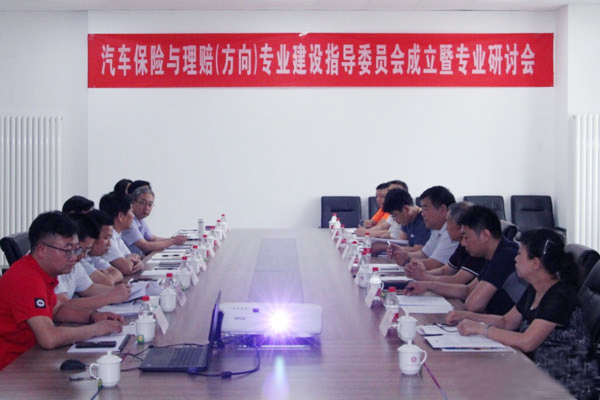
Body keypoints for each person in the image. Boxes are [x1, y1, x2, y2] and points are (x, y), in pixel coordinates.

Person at [446, 228, 596, 399]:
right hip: (537, 372)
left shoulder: (559, 295)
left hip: (567, 383)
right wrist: (465, 316)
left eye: (519, 254)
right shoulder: (536, 288)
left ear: (535, 263)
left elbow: (527, 342)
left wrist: (482, 329)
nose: (515, 259)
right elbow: (506, 322)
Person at [0, 211, 123, 370]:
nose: (74, 257)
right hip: (11, 368)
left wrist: (93, 316)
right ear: (42, 250)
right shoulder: (26, 278)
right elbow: (49, 338)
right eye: (67, 250)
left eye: (76, 249)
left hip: (32, 356)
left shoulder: (42, 272)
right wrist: (96, 329)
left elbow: (57, 310)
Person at [404, 205, 527, 315]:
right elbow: (467, 290)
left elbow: (474, 305)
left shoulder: (506, 254)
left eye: (466, 237)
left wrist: (426, 280)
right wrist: (427, 286)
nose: (462, 243)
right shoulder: (494, 253)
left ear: (485, 235)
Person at [54, 213, 130, 310]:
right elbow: (63, 305)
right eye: (79, 249)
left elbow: (90, 288)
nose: (81, 256)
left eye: (86, 251)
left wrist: (125, 291)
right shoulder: (54, 264)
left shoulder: (75, 262)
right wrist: (109, 297)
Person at [405, 201, 486, 284]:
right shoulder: (462, 245)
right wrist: (419, 274)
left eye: (448, 222)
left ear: (459, 226)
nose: (446, 228)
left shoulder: (476, 249)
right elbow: (444, 270)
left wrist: (423, 276)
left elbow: (457, 280)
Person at [389, 185, 458, 270]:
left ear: (442, 209)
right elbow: (424, 254)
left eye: (425, 209)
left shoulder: (452, 231)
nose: (422, 214)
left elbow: (434, 264)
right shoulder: (437, 228)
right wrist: (404, 255)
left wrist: (407, 260)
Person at [121, 186, 187, 255]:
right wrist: (173, 241)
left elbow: (153, 239)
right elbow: (145, 246)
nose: (146, 208)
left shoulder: (141, 220)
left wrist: (176, 239)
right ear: (133, 203)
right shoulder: (129, 222)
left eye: (150, 204)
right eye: (143, 203)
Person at [99, 192, 143, 275]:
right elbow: (127, 268)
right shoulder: (108, 239)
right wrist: (132, 260)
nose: (133, 216)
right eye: (131, 211)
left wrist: (136, 260)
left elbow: (134, 256)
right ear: (121, 216)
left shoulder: (117, 235)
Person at [381, 188, 430, 252]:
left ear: (406, 209)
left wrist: (382, 247)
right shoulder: (407, 219)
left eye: (395, 215)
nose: (396, 221)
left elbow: (418, 250)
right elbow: (400, 243)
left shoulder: (424, 220)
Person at [85, 209, 124, 286]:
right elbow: (107, 282)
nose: (109, 244)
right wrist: (107, 278)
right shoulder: (81, 260)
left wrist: (108, 278)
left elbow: (118, 274)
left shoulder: (94, 257)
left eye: (110, 238)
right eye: (106, 238)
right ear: (92, 236)